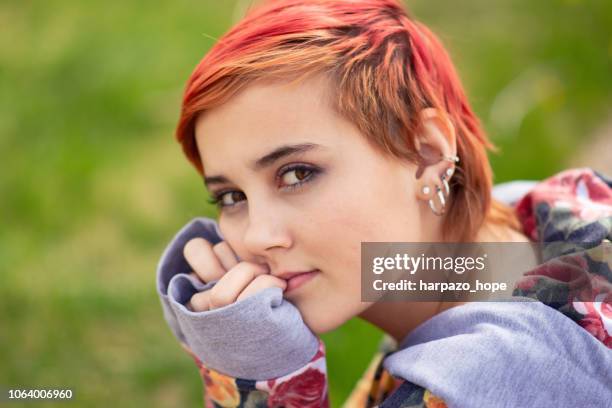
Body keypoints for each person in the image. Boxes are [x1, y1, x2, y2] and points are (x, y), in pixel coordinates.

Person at [155, 0, 612, 406]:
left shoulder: (470, 385)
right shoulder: (555, 216)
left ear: (427, 154)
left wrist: (257, 376)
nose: (257, 237)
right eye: (231, 196)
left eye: (297, 174)